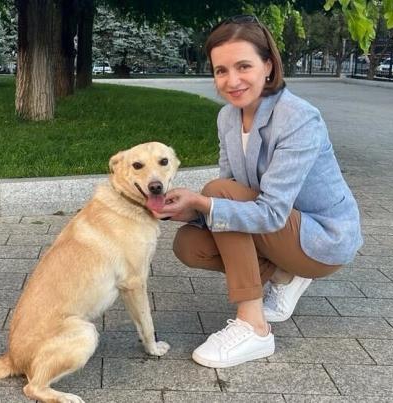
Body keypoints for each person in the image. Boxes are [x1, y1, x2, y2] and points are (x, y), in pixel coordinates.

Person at [151, 15, 363, 369]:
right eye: (221, 70)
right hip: (276, 230)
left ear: (268, 65)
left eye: (243, 66)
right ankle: (284, 275)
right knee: (189, 244)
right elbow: (234, 191)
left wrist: (206, 201)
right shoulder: (227, 118)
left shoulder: (299, 117)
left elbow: (266, 210)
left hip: (322, 238)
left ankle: (254, 328)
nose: (231, 80)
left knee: (217, 193)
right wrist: (187, 210)